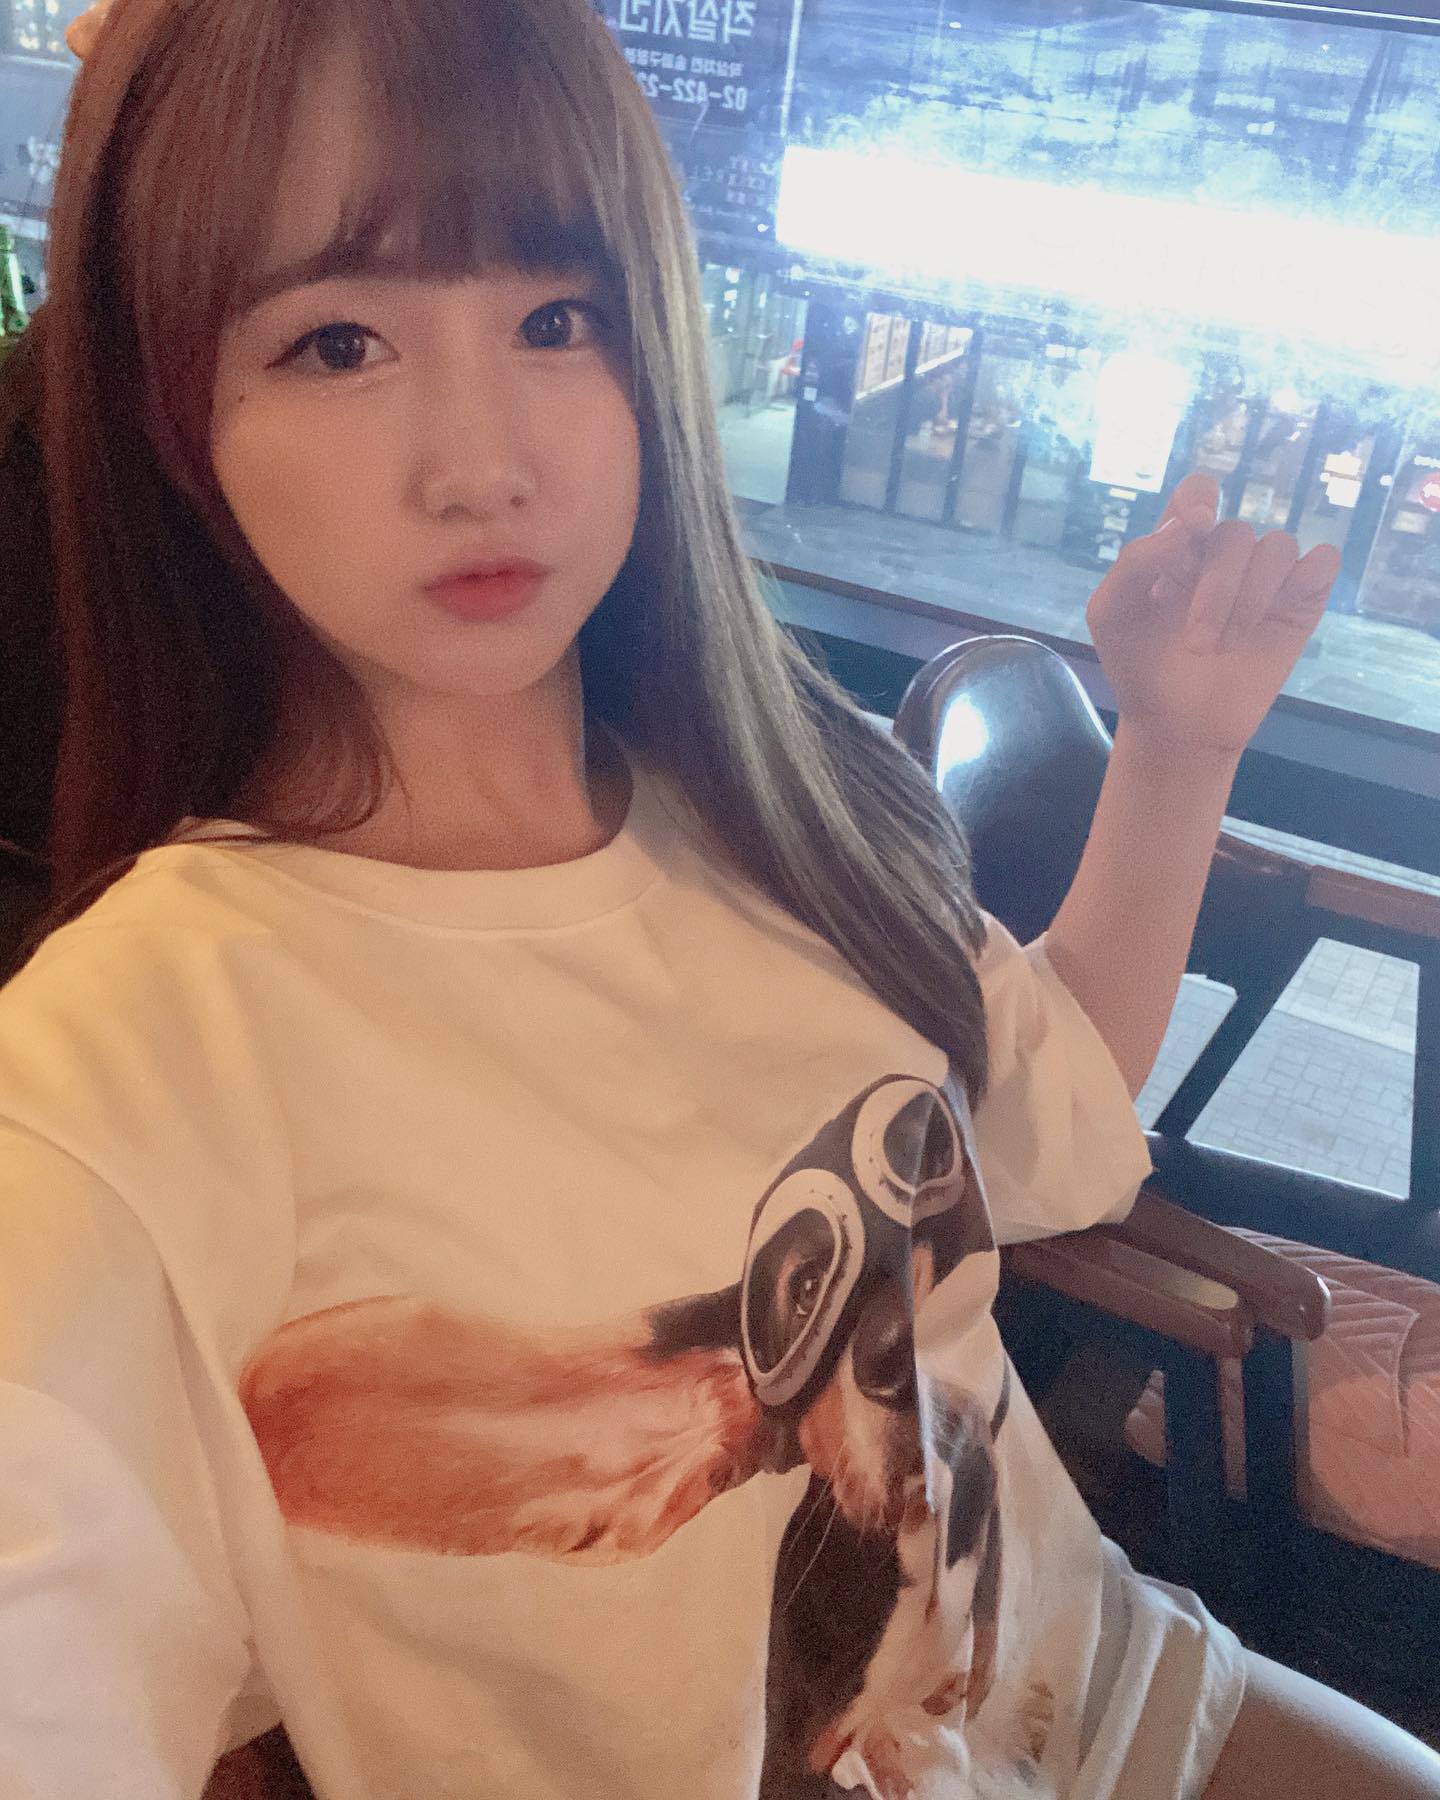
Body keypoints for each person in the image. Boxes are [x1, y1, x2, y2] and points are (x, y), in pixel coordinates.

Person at [2, 2, 1438, 1797]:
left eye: (557, 319)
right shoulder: (129, 1068)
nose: (482, 460)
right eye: (338, 341)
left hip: (1105, 1687)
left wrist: (1179, 741)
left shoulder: (777, 797)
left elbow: (1049, 1110)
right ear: (172, 412)